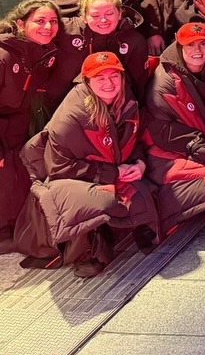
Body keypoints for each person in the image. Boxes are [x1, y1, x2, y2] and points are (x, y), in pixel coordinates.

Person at [16, 52, 157, 277]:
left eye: (114, 76)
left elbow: (133, 138)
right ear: (87, 81)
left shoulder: (125, 100)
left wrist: (138, 163)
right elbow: (59, 168)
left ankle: (124, 228)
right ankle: (84, 253)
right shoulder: (72, 117)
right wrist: (112, 173)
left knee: (149, 186)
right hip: (66, 179)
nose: (109, 83)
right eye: (100, 78)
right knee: (94, 200)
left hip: (106, 168)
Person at [142, 22, 205, 235]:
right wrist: (194, 143)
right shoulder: (164, 82)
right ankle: (150, 217)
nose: (197, 51)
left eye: (203, 44)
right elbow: (160, 129)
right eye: (190, 45)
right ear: (179, 46)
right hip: (170, 152)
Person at [0, 0, 60, 240]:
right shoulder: (4, 56)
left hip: (18, 128)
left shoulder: (42, 53)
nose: (48, 27)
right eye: (40, 21)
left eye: (53, 21)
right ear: (21, 24)